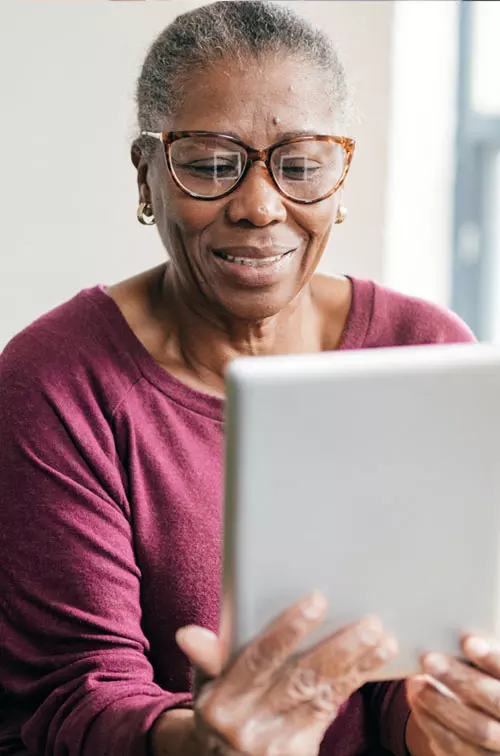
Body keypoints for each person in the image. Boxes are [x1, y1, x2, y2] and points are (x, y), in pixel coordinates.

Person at [1, 2, 499, 755]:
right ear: (148, 175)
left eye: (300, 166)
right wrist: (205, 744)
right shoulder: (57, 383)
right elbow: (68, 697)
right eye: (208, 164)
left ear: (342, 173)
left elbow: (423, 650)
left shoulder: (424, 350)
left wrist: (437, 727)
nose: (261, 207)